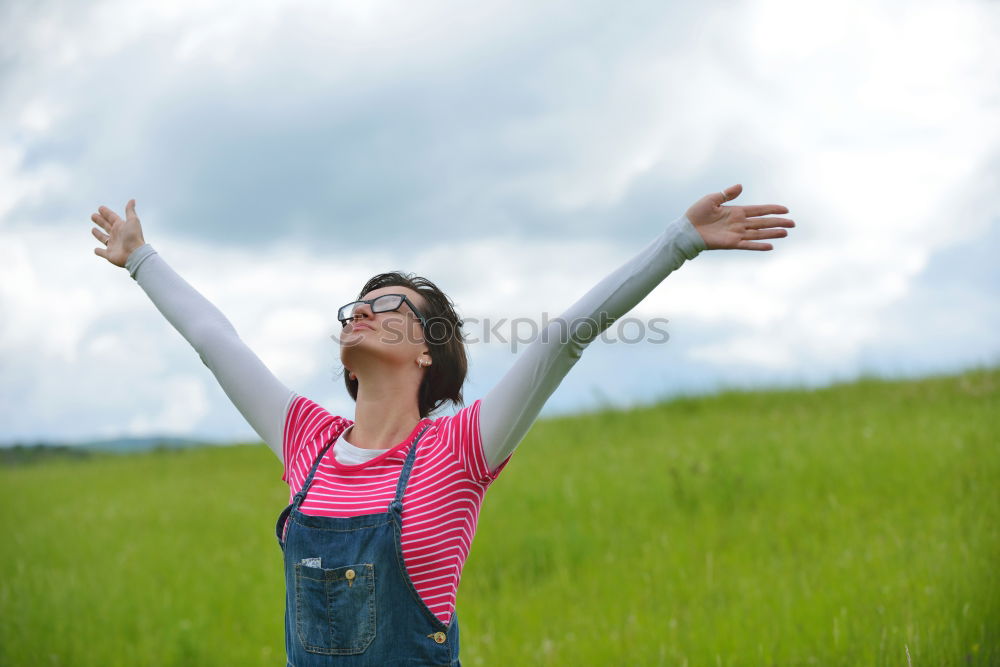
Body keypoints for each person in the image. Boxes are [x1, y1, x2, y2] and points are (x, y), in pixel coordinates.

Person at [90, 184, 793, 665]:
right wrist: (140, 258)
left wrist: (680, 240)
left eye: (386, 303)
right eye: (355, 306)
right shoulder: (306, 440)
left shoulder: (458, 449)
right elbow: (217, 341)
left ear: (428, 347)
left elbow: (566, 336)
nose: (361, 310)